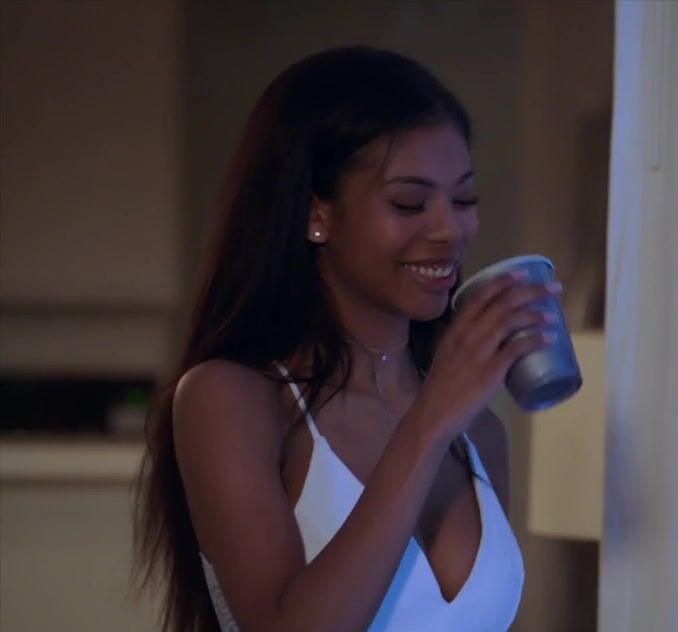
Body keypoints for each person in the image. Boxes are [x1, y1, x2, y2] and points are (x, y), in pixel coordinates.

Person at [135, 46, 554, 631]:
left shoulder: (479, 432)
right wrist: (429, 423)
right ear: (317, 214)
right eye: (409, 202)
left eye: (463, 199)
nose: (448, 229)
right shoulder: (230, 399)